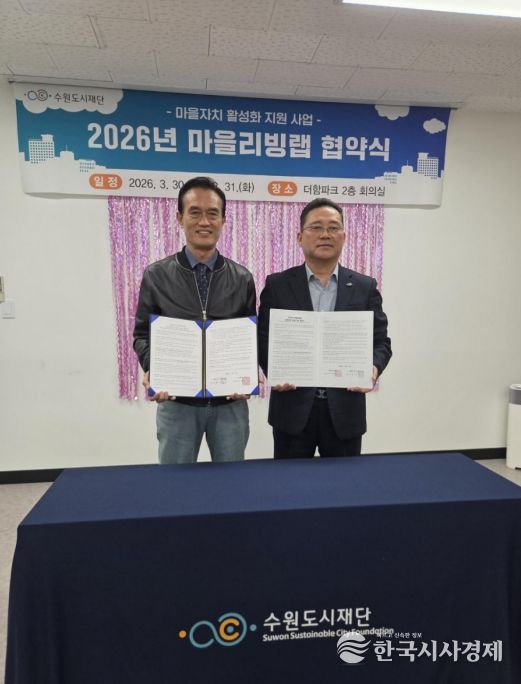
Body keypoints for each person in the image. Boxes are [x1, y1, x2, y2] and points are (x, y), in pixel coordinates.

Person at [133, 176, 256, 464]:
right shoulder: (156, 275)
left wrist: (249, 373)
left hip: (230, 405)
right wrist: (154, 368)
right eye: (195, 213)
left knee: (233, 483)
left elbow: (249, 338)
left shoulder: (242, 278)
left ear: (223, 220)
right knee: (175, 484)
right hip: (177, 404)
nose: (204, 222)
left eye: (212, 214)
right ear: (180, 218)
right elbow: (142, 335)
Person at [258, 197, 392, 459]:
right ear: (300, 237)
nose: (325, 235)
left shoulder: (364, 287)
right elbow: (263, 339)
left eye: (333, 228)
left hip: (345, 413)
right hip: (292, 411)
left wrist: (373, 368)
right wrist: (273, 370)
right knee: (290, 482)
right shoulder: (278, 285)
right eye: (316, 227)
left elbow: (381, 342)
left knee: (344, 483)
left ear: (343, 236)